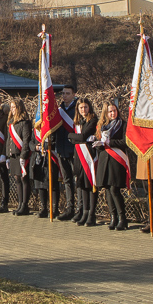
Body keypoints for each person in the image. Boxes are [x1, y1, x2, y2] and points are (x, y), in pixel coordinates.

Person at [93, 102, 130, 230]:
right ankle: (113, 217)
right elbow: (100, 144)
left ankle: (122, 218)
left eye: (114, 111)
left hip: (117, 159)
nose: (113, 113)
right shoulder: (102, 126)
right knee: (107, 189)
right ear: (106, 113)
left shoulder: (122, 124)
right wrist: (98, 143)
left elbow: (125, 142)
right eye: (110, 112)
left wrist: (110, 142)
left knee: (115, 189)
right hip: (105, 159)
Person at [66, 97, 99, 226]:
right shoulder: (78, 122)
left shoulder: (93, 120)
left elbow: (82, 136)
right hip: (79, 156)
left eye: (85, 107)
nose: (83, 110)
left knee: (91, 185)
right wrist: (77, 138)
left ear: (89, 107)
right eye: (81, 108)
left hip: (89, 156)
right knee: (82, 185)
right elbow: (79, 139)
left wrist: (70, 135)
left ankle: (92, 214)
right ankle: (85, 212)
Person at [5, 98, 35, 216]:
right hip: (13, 155)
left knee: (24, 179)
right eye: (11, 107)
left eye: (14, 107)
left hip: (22, 155)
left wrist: (23, 156)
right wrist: (8, 155)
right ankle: (19, 204)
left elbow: (26, 140)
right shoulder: (11, 122)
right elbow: (8, 140)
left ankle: (24, 205)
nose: (12, 110)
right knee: (17, 179)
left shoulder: (25, 122)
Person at [53, 85, 79, 220]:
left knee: (78, 180)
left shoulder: (78, 109)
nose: (64, 96)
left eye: (68, 93)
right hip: (61, 149)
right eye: (63, 93)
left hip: (74, 150)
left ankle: (80, 209)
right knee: (67, 180)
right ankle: (70, 208)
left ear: (74, 94)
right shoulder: (58, 110)